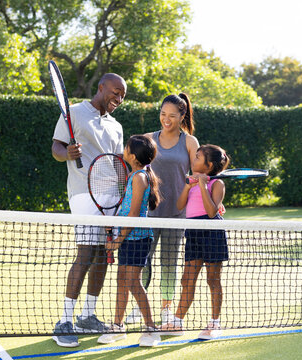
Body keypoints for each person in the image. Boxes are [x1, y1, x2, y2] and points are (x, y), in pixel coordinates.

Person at [51, 73, 127, 348]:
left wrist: (124, 196)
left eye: (122, 96)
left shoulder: (116, 126)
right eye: (115, 92)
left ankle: (88, 315)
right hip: (83, 193)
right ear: (101, 87)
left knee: (103, 255)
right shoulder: (73, 113)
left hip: (111, 197)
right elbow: (56, 147)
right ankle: (65, 321)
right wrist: (67, 153)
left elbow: (119, 164)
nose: (118, 98)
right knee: (85, 253)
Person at [125, 93, 200, 325]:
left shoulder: (190, 142)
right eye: (162, 114)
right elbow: (135, 171)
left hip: (176, 215)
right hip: (148, 214)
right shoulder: (148, 138)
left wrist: (216, 199)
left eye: (172, 116)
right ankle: (140, 307)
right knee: (143, 261)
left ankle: (166, 307)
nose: (166, 119)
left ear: (182, 115)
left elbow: (197, 176)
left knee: (169, 262)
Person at [159, 144, 230, 340]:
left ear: (209, 165)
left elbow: (211, 212)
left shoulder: (217, 184)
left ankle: (215, 323)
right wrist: (189, 186)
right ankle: (177, 322)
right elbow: (180, 205)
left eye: (198, 157)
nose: (194, 160)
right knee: (186, 280)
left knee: (213, 280)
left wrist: (202, 185)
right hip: (193, 233)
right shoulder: (189, 181)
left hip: (212, 232)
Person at [97, 135, 162, 347]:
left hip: (138, 239)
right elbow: (126, 211)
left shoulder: (139, 177)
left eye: (126, 148)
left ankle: (151, 328)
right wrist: (115, 227)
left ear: (132, 156)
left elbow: (134, 214)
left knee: (133, 283)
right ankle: (118, 325)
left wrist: (117, 240)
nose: (123, 149)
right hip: (127, 237)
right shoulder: (134, 174)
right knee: (122, 281)